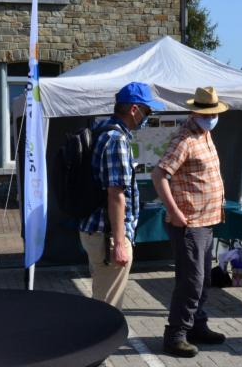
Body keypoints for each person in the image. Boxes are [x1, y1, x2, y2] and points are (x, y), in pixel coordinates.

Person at [151, 86, 228, 358]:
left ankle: (197, 325)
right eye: (207, 113)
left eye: (214, 113)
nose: (211, 117)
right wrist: (174, 211)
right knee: (191, 281)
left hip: (206, 221)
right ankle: (176, 335)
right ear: (194, 112)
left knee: (203, 279)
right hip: (190, 223)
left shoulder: (204, 134)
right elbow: (159, 174)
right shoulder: (185, 139)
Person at [79, 82, 165, 310]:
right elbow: (116, 195)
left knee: (102, 297)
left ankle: (98, 340)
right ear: (134, 109)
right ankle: (102, 344)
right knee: (108, 307)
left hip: (96, 229)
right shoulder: (116, 140)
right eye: (147, 111)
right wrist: (119, 243)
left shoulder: (103, 130)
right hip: (107, 235)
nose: (148, 117)